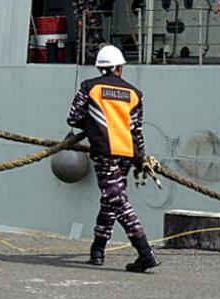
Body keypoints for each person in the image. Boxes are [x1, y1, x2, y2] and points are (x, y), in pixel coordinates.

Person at [67, 44, 159, 273]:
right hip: (127, 154)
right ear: (119, 68)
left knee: (117, 201)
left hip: (104, 153)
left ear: (100, 67)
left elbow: (73, 117)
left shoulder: (90, 88)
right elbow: (136, 130)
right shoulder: (134, 94)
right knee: (111, 200)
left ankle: (145, 253)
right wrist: (141, 158)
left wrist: (93, 126)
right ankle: (97, 250)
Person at [72, 0, 102, 64]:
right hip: (82, 18)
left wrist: (92, 11)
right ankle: (80, 58)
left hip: (94, 18)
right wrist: (79, 19)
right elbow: (75, 7)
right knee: (80, 39)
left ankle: (95, 58)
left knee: (95, 38)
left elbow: (98, 3)